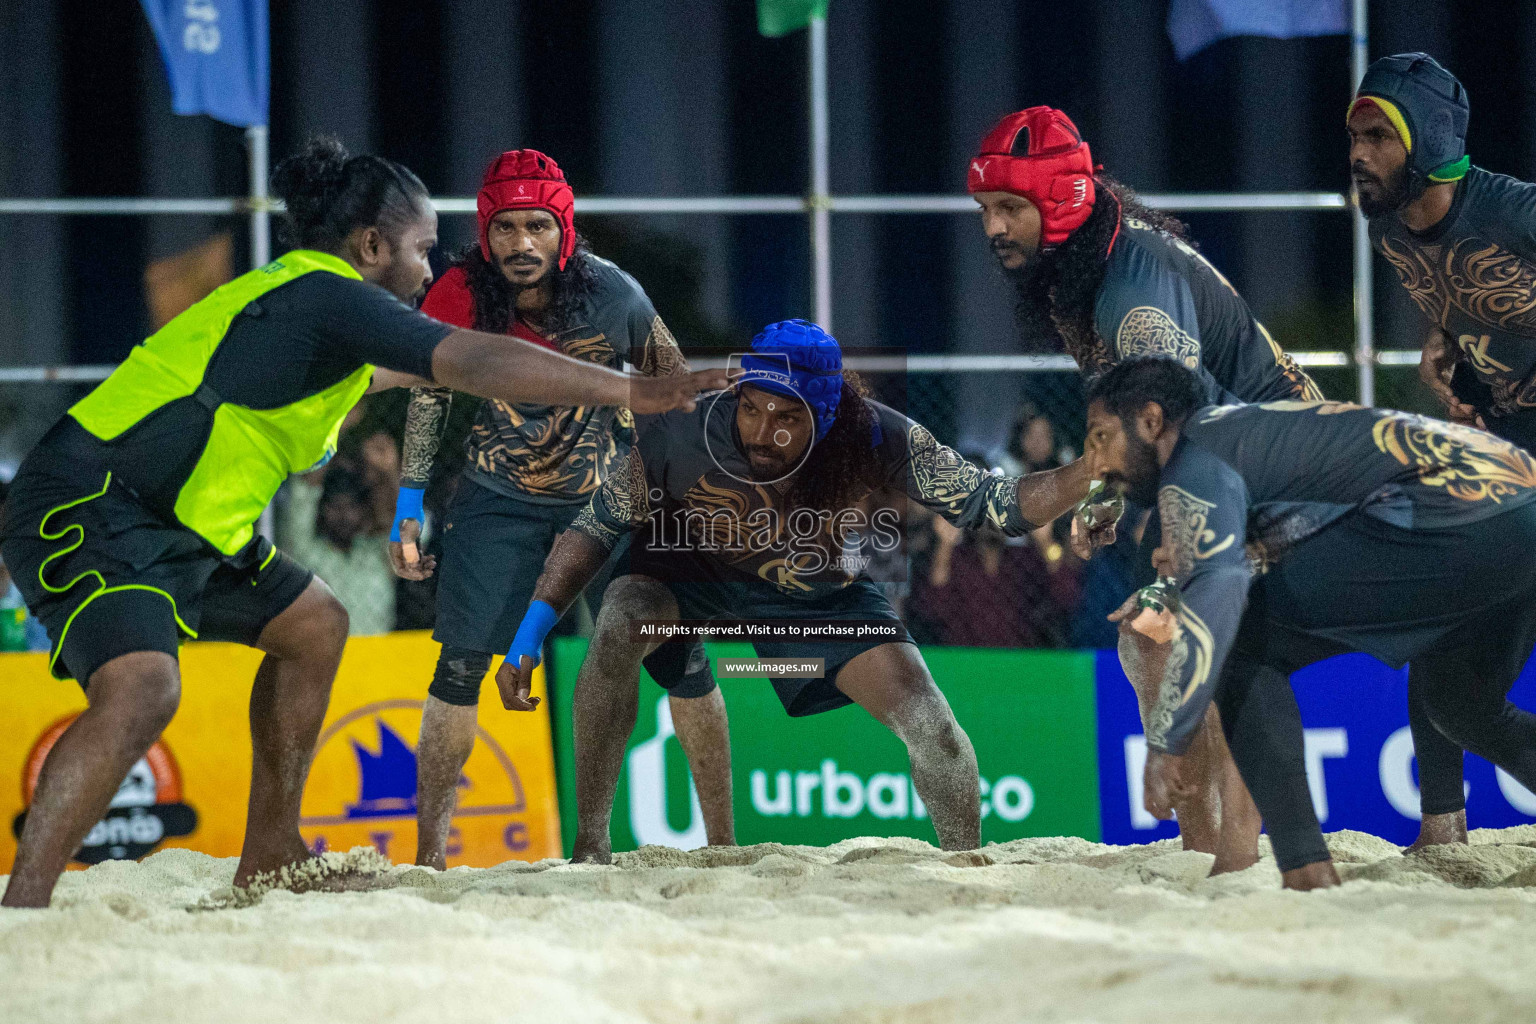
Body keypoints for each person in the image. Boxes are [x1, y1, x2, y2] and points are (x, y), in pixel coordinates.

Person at [0, 136, 724, 908]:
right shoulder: (328, 294)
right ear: (372, 245)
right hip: (95, 500)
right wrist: (632, 390)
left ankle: (272, 852)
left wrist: (601, 360)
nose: (429, 268)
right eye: (420, 248)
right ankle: (26, 911)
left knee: (314, 624)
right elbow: (470, 361)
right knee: (144, 688)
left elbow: (446, 365)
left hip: (186, 520)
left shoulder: (319, 318)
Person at [498, 320, 1097, 861]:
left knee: (932, 725)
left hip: (814, 597)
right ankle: (590, 847)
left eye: (786, 419)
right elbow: (594, 527)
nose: (761, 432)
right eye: (752, 408)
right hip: (695, 567)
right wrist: (529, 636)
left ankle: (968, 871)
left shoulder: (881, 437)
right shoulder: (682, 430)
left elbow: (1000, 506)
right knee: (622, 617)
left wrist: (1094, 468)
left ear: (827, 415)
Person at [969, 105, 1326, 867]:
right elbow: (1136, 415)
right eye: (986, 209)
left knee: (1173, 639)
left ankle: (1228, 855)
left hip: (1278, 473)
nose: (992, 227)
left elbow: (1185, 433)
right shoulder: (1087, 262)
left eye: (1008, 208)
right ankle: (1217, 853)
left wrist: (1172, 560)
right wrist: (1107, 492)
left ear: (1061, 201)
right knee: (1150, 642)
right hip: (1254, 459)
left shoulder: (1130, 296)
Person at [389, 149, 732, 869]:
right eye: (506, 228)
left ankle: (706, 848)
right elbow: (429, 390)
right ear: (486, 233)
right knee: (457, 669)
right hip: (495, 501)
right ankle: (427, 863)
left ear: (563, 231)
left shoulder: (616, 294)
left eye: (537, 227)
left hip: (608, 501)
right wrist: (410, 502)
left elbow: (672, 384)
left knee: (682, 660)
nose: (521, 244)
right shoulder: (457, 291)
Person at [1084, 357, 1536, 890]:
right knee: (1460, 702)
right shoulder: (1252, 434)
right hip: (1518, 509)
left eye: (1100, 438)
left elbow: (1222, 596)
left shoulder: (1196, 455)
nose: (1094, 463)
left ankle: (1303, 864)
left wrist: (1167, 743)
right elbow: (1303, 526)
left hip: (1453, 519)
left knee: (1240, 641)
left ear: (1151, 421)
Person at [1348, 52, 1536, 847]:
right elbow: (1455, 294)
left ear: (1425, 141)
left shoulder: (1516, 213)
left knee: (1460, 683)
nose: (1358, 153)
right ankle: (1442, 832)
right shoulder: (1391, 225)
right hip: (1508, 452)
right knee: (1439, 630)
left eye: (1376, 136)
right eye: (1352, 134)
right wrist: (1444, 341)